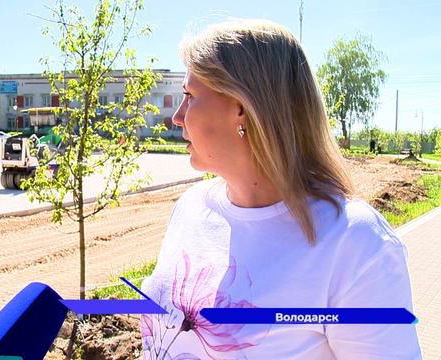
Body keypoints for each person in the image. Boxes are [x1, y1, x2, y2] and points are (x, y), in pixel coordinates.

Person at [140, 20, 421, 359]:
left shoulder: (355, 243)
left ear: (242, 108)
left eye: (190, 96)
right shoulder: (190, 209)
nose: (178, 117)